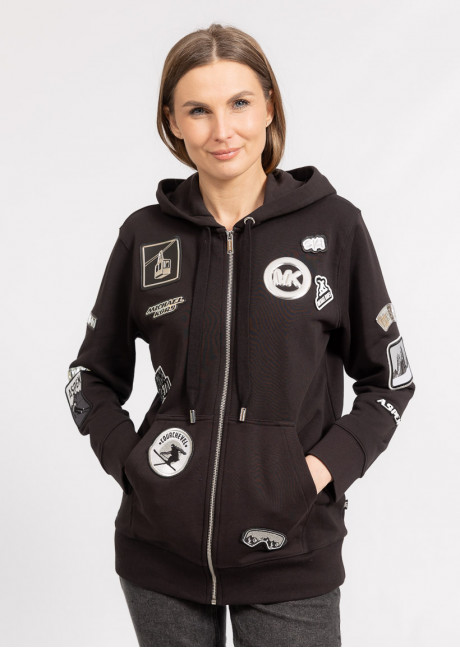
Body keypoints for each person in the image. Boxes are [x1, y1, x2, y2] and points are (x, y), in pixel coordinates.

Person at [65, 22, 415, 647]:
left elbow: (390, 380)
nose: (222, 130)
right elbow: (89, 377)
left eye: (239, 103)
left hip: (291, 553)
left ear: (269, 107)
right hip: (159, 557)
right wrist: (134, 468)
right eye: (198, 110)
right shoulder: (145, 236)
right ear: (172, 122)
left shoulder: (335, 227)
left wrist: (317, 472)